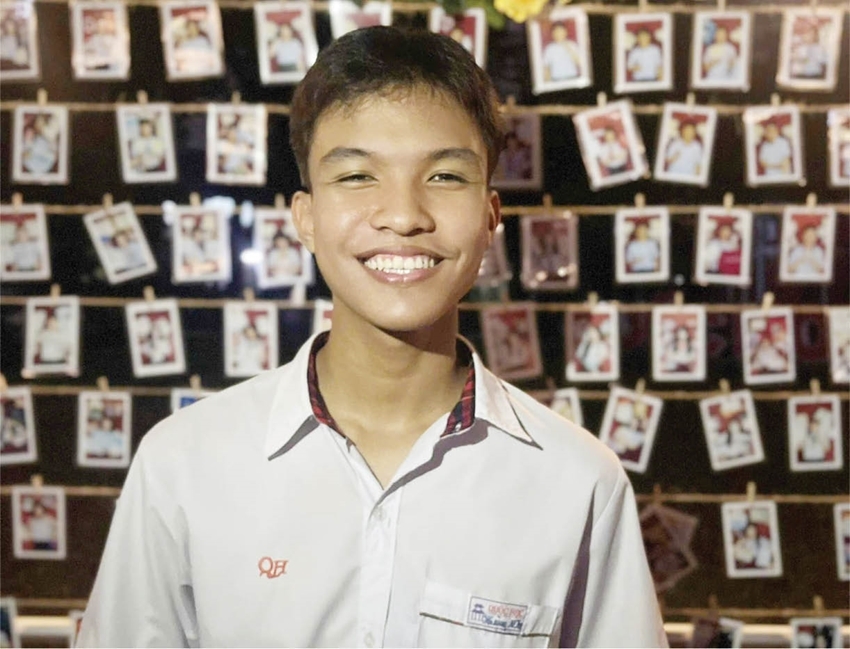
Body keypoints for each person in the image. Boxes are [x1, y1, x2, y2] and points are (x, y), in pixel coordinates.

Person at [79, 27, 666, 647]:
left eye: (445, 176)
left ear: (490, 217)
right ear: (306, 218)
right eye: (358, 176)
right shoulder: (185, 464)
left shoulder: (577, 483)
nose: (404, 215)